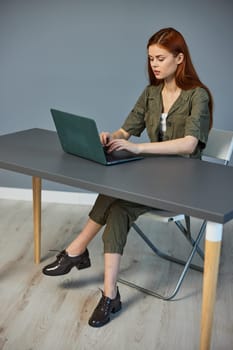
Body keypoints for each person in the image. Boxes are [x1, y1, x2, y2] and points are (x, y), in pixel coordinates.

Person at [42, 27, 213, 327]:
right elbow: (127, 129)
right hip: (149, 180)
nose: (154, 65)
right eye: (150, 59)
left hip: (184, 186)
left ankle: (76, 252)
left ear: (180, 58)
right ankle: (110, 295)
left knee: (115, 193)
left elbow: (188, 144)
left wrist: (138, 147)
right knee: (117, 205)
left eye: (160, 58)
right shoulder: (150, 93)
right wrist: (112, 137)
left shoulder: (198, 96)